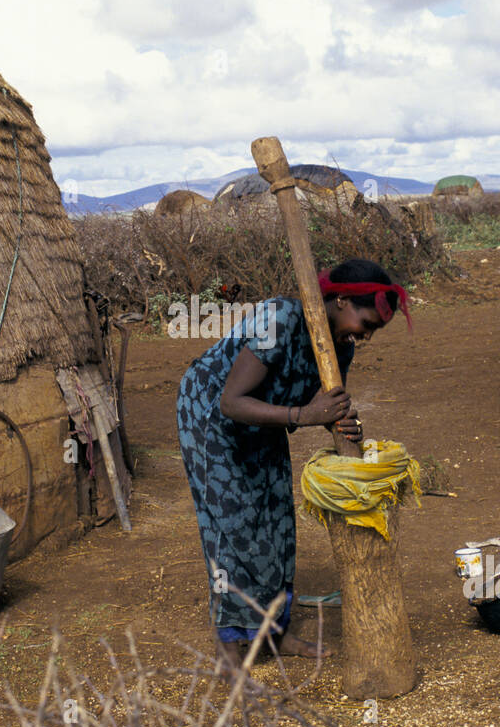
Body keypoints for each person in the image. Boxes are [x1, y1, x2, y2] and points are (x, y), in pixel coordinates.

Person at [175, 258, 411, 667]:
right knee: (231, 524)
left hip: (263, 419)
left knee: (276, 520)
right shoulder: (279, 320)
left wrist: (340, 423)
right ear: (340, 301)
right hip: (211, 416)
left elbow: (323, 406)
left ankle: (274, 635)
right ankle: (229, 648)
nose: (367, 336)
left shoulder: (338, 345)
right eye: (366, 323)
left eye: (374, 331)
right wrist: (303, 416)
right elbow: (231, 402)